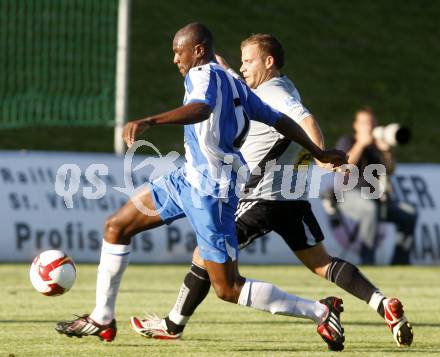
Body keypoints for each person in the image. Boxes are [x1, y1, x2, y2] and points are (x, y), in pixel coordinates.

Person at [55, 23, 348, 351]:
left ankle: (321, 312)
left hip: (214, 193)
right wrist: (320, 152)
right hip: (187, 179)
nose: (175, 59)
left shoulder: (203, 75)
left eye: (179, 52)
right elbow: (280, 120)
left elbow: (202, 108)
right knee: (117, 226)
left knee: (228, 288)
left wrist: (150, 121)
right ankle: (102, 318)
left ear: (198, 50)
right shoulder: (235, 85)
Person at [128, 34, 414, 348]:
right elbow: (241, 86)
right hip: (291, 198)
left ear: (268, 62)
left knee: (204, 256)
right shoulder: (277, 86)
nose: (242, 66)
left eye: (248, 61)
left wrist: (321, 154)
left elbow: (303, 117)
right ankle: (382, 304)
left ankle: (173, 324)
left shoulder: (276, 92)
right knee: (322, 263)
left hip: (259, 198)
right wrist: (222, 67)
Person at [336, 107, 417, 265]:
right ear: (356, 125)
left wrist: (387, 151)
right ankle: (368, 261)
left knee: (409, 213)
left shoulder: (376, 147)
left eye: (372, 123)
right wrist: (361, 144)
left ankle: (400, 262)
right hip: (349, 195)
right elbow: (344, 167)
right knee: (370, 209)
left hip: (375, 198)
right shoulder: (347, 141)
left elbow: (390, 171)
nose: (370, 127)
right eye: (365, 123)